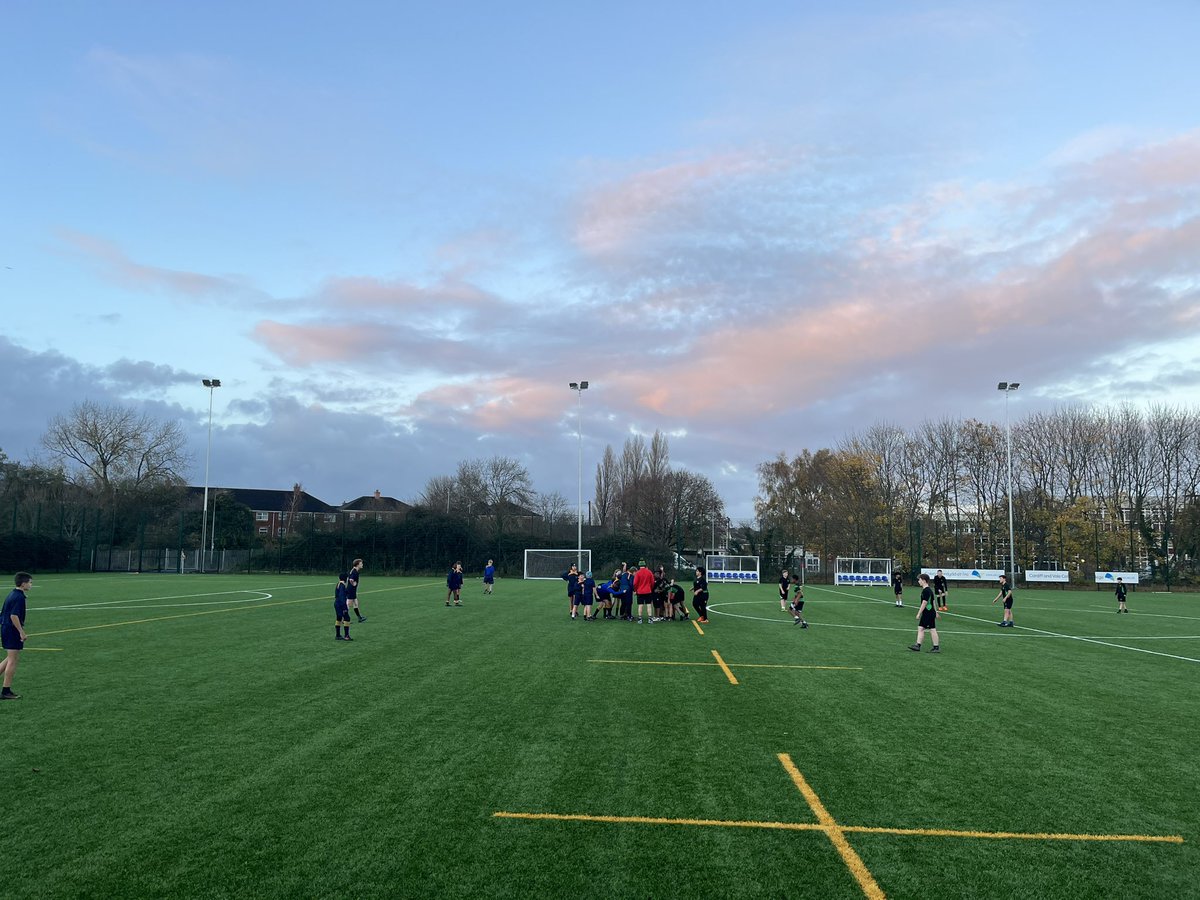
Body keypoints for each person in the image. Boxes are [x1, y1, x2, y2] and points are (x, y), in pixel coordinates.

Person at [1, 572, 32, 699]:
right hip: (12, 630)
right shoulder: (18, 597)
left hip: (6, 628)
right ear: (23, 583)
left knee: (10, 658)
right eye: (30, 582)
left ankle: (5, 690)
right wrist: (21, 631)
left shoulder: (12, 594)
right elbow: (13, 616)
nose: (31, 585)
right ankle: (5, 691)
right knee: (13, 660)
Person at [909, 573, 940, 652]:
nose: (918, 581)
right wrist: (935, 611)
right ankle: (918, 645)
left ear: (923, 581)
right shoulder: (928, 590)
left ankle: (935, 647)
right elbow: (933, 601)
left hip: (928, 613)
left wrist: (919, 613)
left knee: (931, 629)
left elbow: (924, 602)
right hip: (929, 612)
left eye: (919, 580)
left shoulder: (926, 591)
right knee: (921, 628)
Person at [333, 573, 353, 641]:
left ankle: (338, 635)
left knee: (339, 618)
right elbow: (342, 597)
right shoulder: (342, 585)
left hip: (337, 603)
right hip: (340, 604)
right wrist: (344, 608)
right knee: (347, 618)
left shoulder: (339, 584)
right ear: (345, 578)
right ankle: (346, 636)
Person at [346, 558, 367, 622]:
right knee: (348, 604)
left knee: (356, 603)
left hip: (352, 590)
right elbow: (350, 579)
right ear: (357, 565)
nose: (362, 564)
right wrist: (353, 583)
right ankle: (344, 619)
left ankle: (359, 618)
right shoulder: (354, 572)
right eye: (361, 563)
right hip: (351, 590)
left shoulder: (355, 571)